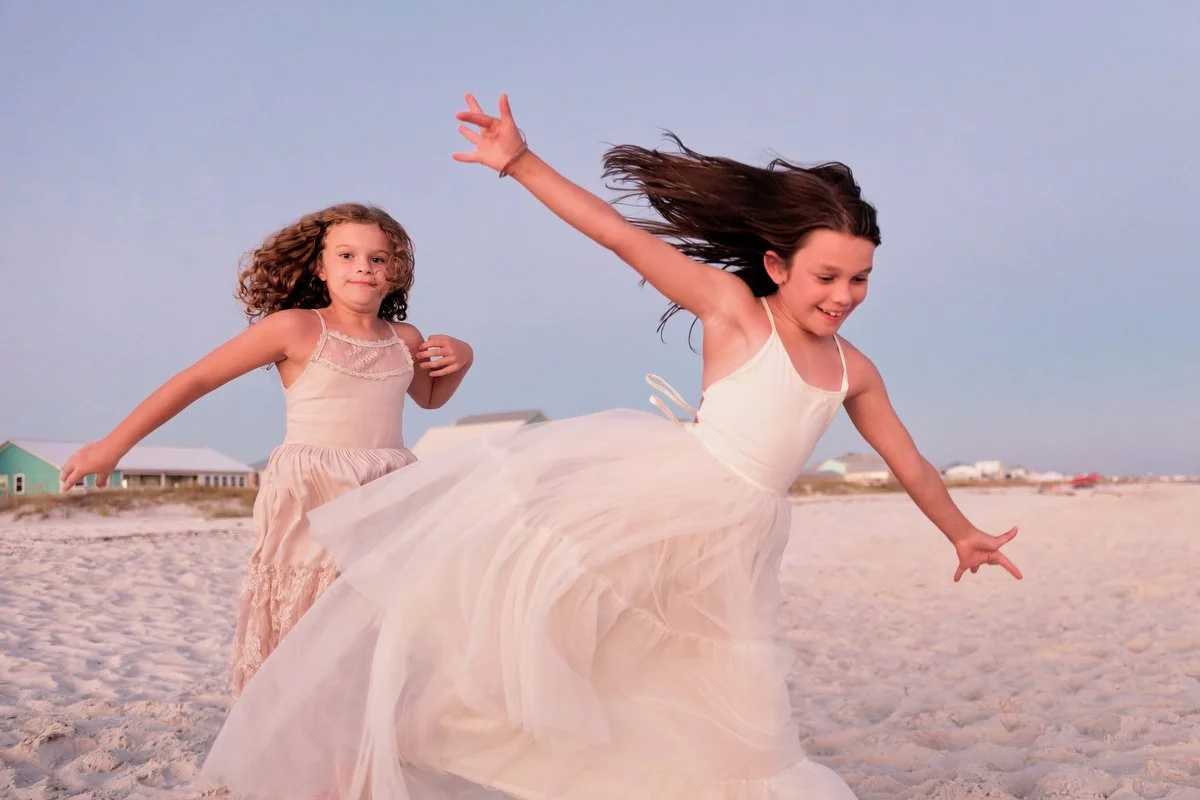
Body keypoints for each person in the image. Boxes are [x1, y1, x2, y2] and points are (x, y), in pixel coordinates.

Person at [200, 96, 1020, 799]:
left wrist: (960, 531)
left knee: (725, 676)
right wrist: (519, 161)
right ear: (776, 263)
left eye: (861, 279)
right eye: (827, 276)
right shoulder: (736, 311)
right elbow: (622, 239)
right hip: (665, 500)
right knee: (576, 635)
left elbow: (907, 460)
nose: (844, 296)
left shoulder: (854, 369)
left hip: (745, 535)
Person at [59, 202, 474, 699]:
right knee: (309, 612)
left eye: (379, 258)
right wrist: (112, 445)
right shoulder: (296, 328)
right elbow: (196, 379)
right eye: (346, 254)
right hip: (313, 488)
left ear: (395, 273)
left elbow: (429, 398)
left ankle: (366, 728)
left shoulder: (403, 338)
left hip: (390, 486)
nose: (364, 266)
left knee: (376, 614)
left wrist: (463, 358)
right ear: (319, 266)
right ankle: (297, 731)